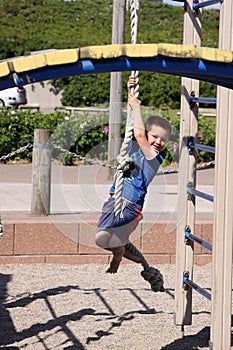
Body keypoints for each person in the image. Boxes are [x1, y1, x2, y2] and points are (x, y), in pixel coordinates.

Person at [95, 76, 172, 277]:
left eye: (163, 139)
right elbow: (133, 126)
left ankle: (119, 250)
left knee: (102, 238)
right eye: (155, 136)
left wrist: (137, 106)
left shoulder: (154, 157)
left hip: (129, 206)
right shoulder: (133, 145)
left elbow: (138, 133)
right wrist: (131, 92)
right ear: (148, 133)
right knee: (106, 238)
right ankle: (121, 250)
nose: (158, 142)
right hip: (115, 200)